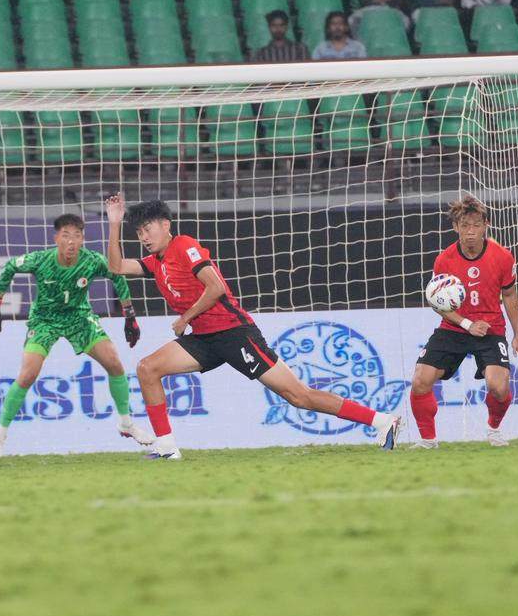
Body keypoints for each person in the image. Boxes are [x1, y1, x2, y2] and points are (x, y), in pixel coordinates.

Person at [104, 194, 401, 460]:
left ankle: (382, 421)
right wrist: (115, 223)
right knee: (147, 368)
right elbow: (116, 267)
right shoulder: (156, 261)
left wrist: (185, 318)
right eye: (139, 231)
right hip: (205, 338)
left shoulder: (185, 245)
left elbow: (216, 287)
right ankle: (167, 447)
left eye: (148, 228)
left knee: (298, 396)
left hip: (234, 333)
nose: (143, 236)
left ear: (166, 224)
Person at [0, 213, 149, 458]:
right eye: (66, 236)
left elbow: (116, 275)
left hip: (79, 318)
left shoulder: (92, 261)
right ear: (56, 238)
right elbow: (10, 266)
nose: (72, 241)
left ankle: (126, 423)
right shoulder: (41, 260)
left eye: (77, 236)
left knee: (114, 363)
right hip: (45, 321)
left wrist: (130, 317)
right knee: (28, 374)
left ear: (83, 239)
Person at [407, 196, 518, 449]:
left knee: (498, 387)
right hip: (454, 328)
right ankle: (428, 441)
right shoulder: (444, 260)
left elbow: (509, 295)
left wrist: (517, 335)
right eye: (464, 225)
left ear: (486, 225)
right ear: (455, 227)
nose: (470, 231)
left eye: (476, 225)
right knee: (421, 380)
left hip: (491, 330)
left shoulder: (503, 257)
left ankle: (494, 430)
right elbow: (437, 303)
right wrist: (466, 324)